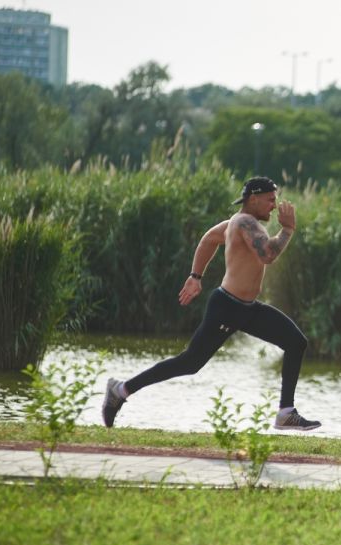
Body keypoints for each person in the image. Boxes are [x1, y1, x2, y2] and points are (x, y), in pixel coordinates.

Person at [101, 176, 320, 431]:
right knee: (189, 363)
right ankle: (120, 389)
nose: (274, 205)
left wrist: (196, 276)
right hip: (228, 308)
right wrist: (288, 229)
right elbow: (268, 255)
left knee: (296, 342)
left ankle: (286, 412)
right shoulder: (247, 223)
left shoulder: (236, 223)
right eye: (271, 200)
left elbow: (208, 239)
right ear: (254, 199)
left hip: (247, 309)